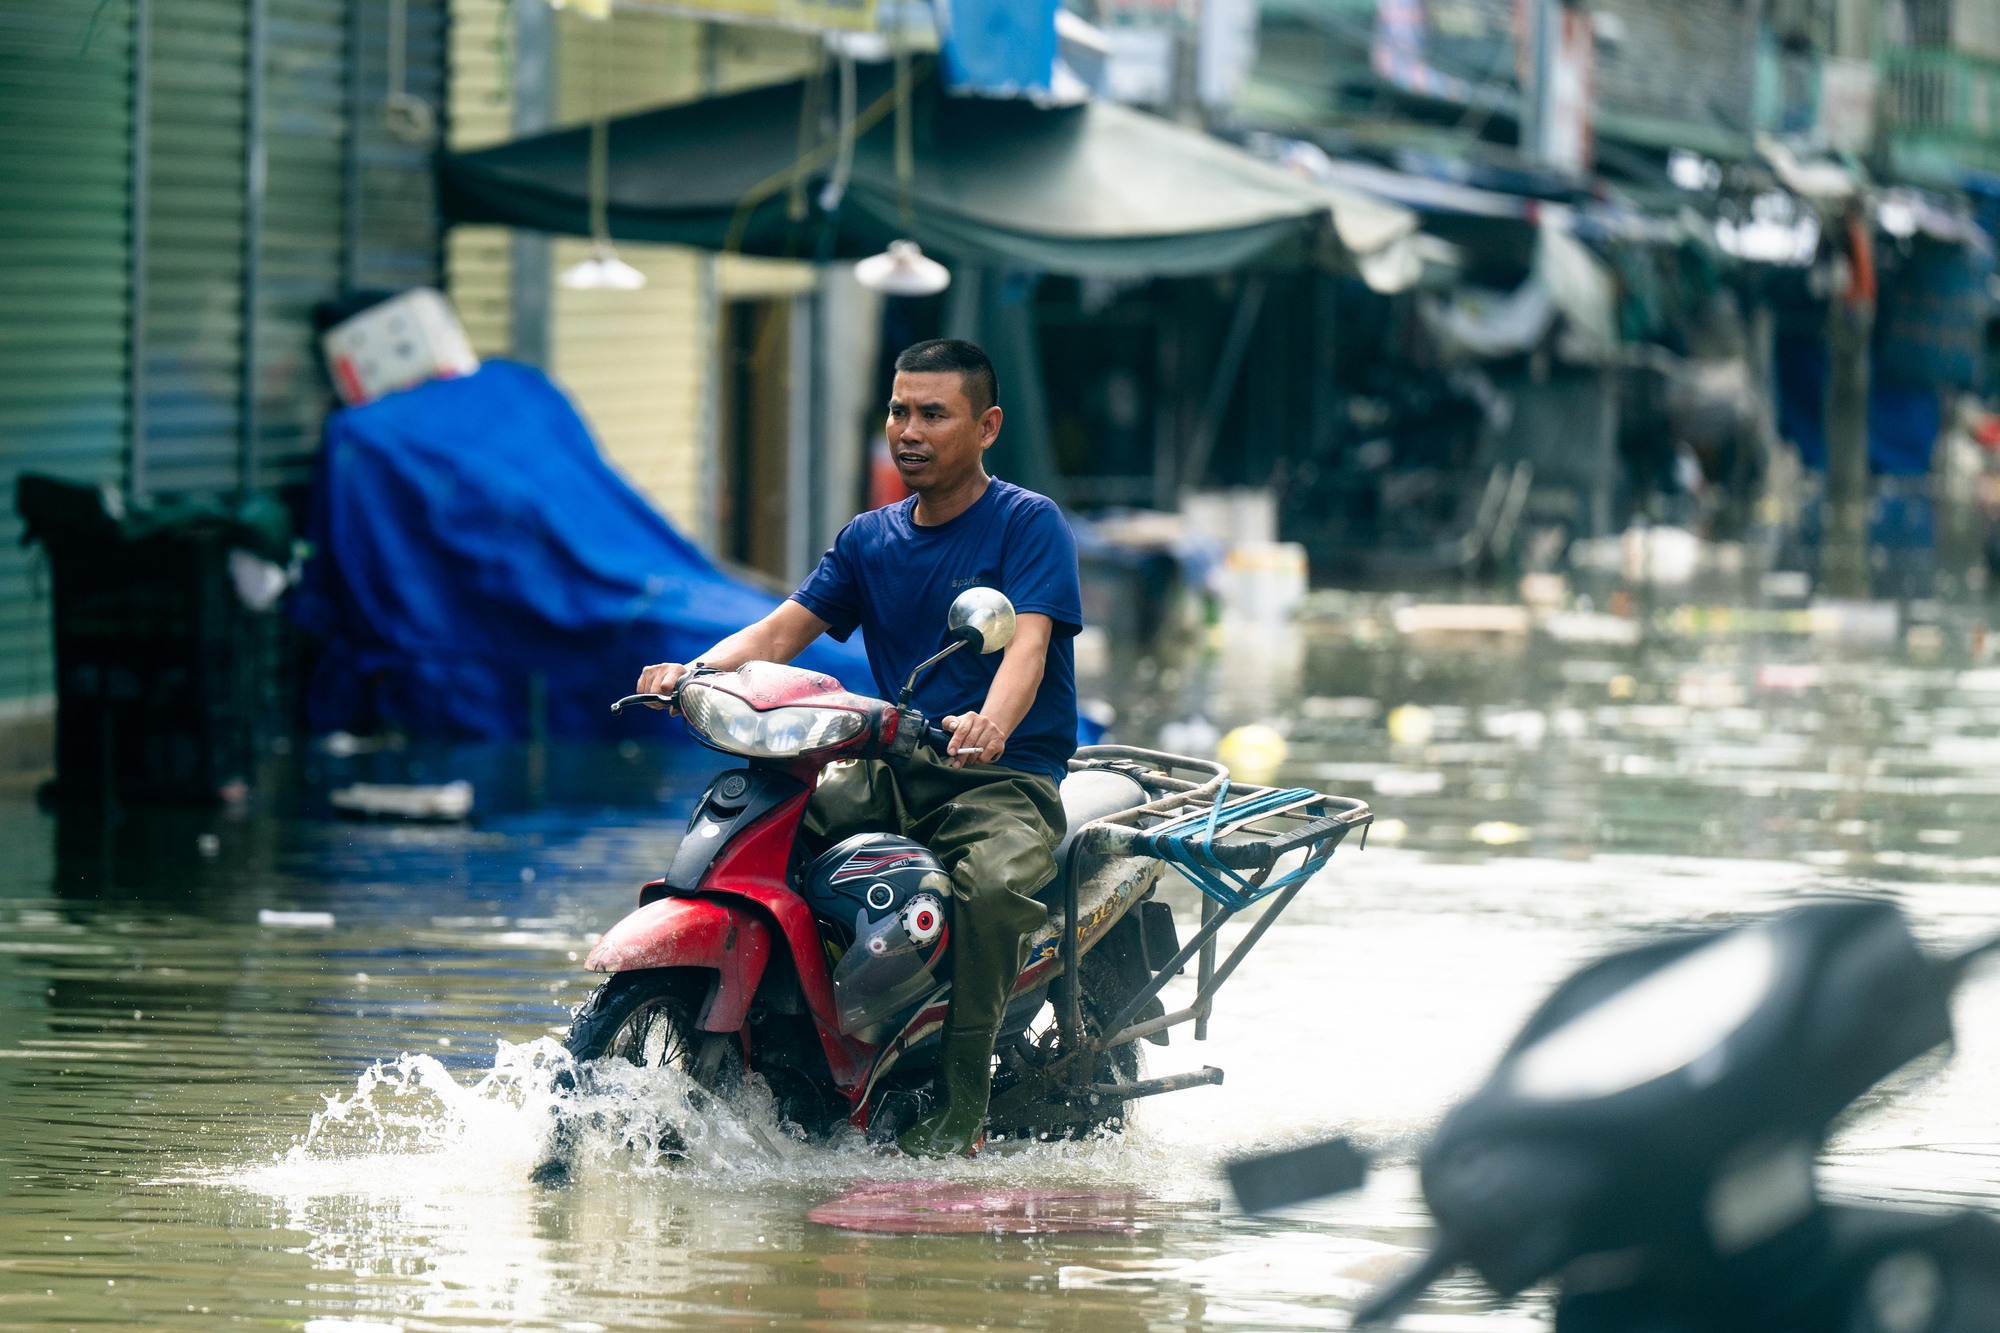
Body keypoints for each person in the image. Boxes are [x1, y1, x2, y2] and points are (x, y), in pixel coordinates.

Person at [635, 338, 1082, 1156]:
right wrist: (693, 671)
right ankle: (792, 1049)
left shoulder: (1028, 523)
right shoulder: (869, 538)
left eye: (933, 414)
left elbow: (1029, 646)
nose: (908, 431)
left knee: (985, 888)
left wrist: (993, 722)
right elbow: (780, 630)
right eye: (898, 411)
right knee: (770, 833)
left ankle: (962, 1094)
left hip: (1001, 777)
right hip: (894, 763)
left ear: (986, 426)